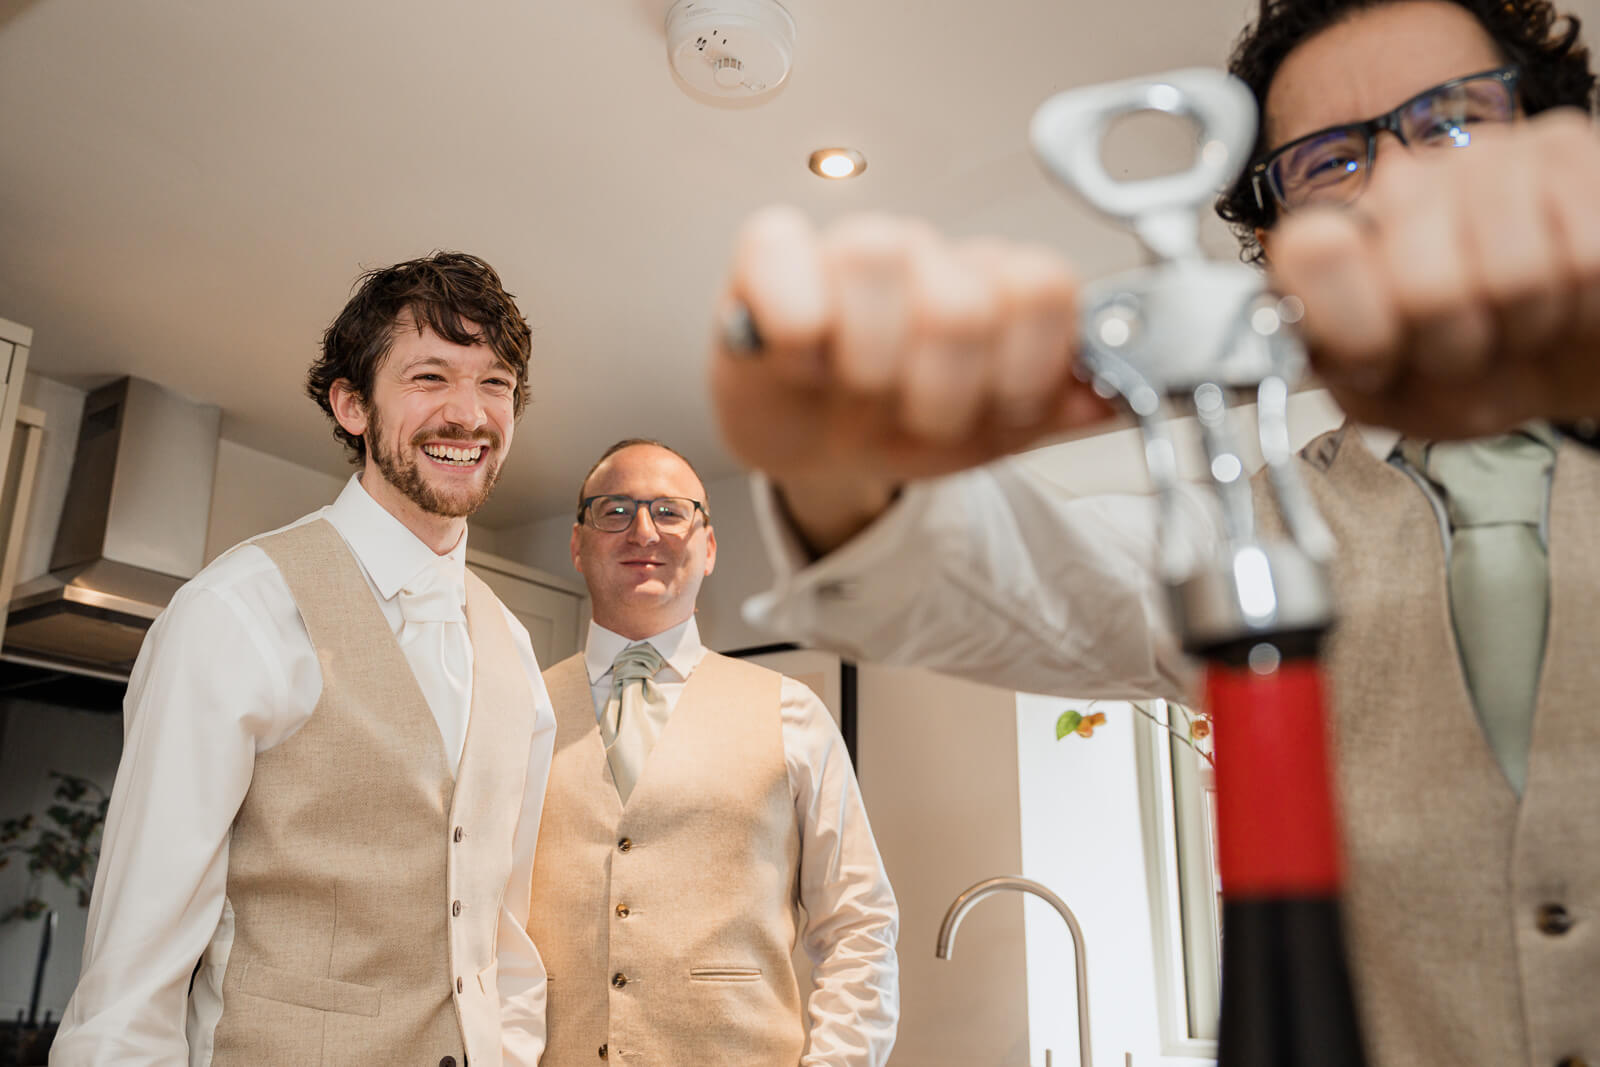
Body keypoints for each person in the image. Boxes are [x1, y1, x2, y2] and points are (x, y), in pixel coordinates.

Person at [709, 1, 1600, 1064]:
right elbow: (993, 575)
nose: (1399, 184)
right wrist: (836, 453)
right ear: (1272, 250)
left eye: (1452, 119)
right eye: (1328, 162)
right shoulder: (1244, 527)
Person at [52, 252, 557, 1067]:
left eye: (495, 383)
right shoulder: (238, 611)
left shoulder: (515, 645)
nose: (469, 414)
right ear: (352, 404)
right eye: (430, 376)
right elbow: (129, 979)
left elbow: (502, 933)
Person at [525, 438, 898, 1066]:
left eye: (670, 511)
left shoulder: (793, 712)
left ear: (709, 548)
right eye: (613, 511)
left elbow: (859, 923)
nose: (642, 530)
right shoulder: (516, 712)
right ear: (577, 544)